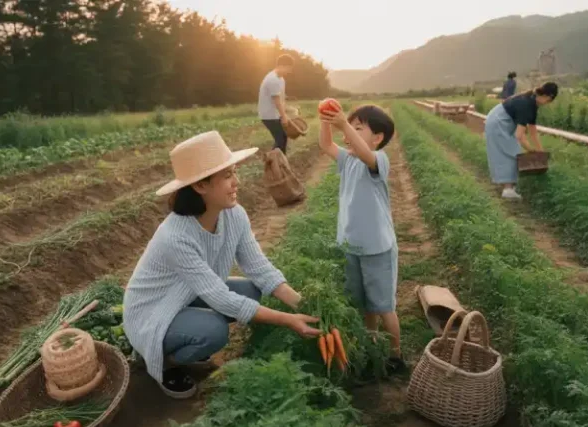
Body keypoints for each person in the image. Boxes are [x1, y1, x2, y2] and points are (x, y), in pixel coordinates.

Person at [123, 130, 321, 399]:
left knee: (252, 290)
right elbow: (219, 297)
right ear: (200, 186)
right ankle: (160, 359)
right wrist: (288, 320)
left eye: (234, 172)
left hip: (187, 297)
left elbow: (259, 268)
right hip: (152, 312)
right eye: (227, 176)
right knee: (214, 331)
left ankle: (187, 335)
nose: (236, 182)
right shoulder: (176, 236)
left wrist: (302, 304)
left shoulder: (234, 215)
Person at [317, 102, 407, 374]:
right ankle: (371, 345)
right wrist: (325, 120)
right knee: (363, 305)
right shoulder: (348, 160)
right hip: (350, 247)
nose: (348, 134)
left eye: (357, 129)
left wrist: (343, 123)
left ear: (377, 138)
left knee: (383, 305)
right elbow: (326, 145)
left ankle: (395, 355)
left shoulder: (378, 160)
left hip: (377, 249)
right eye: (349, 129)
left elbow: (367, 155)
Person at [485, 82, 559, 200]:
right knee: (511, 151)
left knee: (512, 150)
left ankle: (509, 187)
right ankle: (508, 189)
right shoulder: (527, 105)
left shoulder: (532, 102)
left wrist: (541, 152)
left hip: (501, 120)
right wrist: (531, 150)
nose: (547, 104)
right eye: (549, 101)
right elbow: (519, 135)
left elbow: (533, 131)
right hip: (498, 122)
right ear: (547, 96)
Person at [258, 54, 294, 154]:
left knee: (282, 138)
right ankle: (273, 163)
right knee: (280, 140)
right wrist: (284, 117)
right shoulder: (272, 79)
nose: (289, 71)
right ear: (282, 65)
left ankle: (279, 163)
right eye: (288, 68)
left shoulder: (281, 79)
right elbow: (277, 100)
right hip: (268, 116)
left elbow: (281, 96)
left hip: (275, 114)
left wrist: (289, 108)